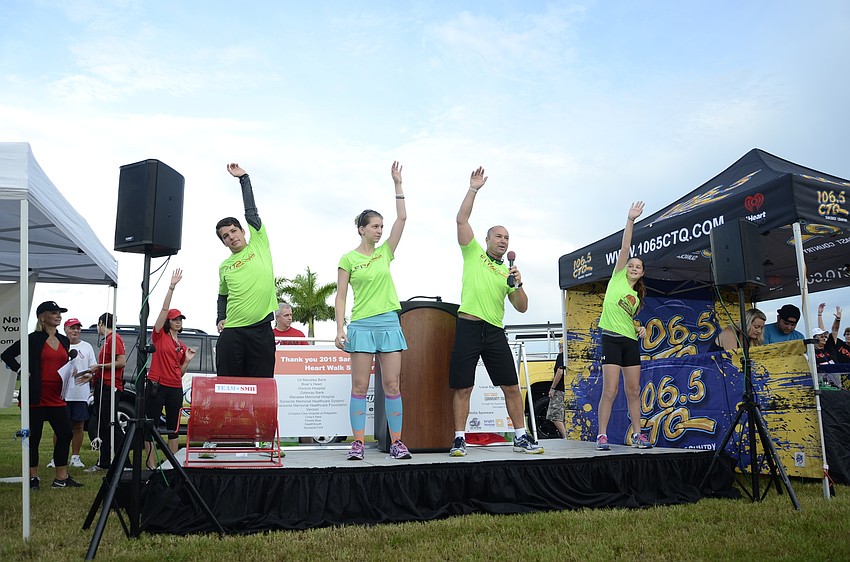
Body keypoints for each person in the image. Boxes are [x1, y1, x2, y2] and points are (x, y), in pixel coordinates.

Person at [448, 166, 542, 457]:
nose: (503, 241)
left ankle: (520, 437)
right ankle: (460, 439)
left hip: (494, 332)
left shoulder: (508, 273)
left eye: (507, 239)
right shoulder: (473, 252)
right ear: (488, 239)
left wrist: (519, 283)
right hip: (468, 326)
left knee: (512, 387)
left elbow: (523, 307)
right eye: (499, 236)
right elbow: (461, 219)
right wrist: (474, 188)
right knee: (463, 387)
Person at [335, 161, 411, 461]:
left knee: (392, 384)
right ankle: (357, 443)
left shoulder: (386, 252)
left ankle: (397, 442)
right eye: (375, 226)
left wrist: (397, 185)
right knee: (359, 385)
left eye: (381, 226)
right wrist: (340, 328)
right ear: (361, 229)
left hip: (389, 323)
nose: (380, 231)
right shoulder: (348, 259)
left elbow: (402, 218)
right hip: (361, 326)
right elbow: (340, 297)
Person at [1, 301, 82, 489]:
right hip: (35, 395)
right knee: (34, 437)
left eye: (59, 313)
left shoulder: (64, 340)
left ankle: (61, 478)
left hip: (57, 396)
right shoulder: (32, 338)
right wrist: (21, 370)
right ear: (42, 316)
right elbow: (7, 355)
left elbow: (64, 365)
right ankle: (32, 478)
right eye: (54, 313)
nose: (58, 316)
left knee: (65, 433)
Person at [595, 202, 651, 451]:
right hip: (611, 338)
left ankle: (638, 435)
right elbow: (625, 247)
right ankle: (602, 436)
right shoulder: (617, 277)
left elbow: (628, 317)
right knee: (610, 389)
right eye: (631, 265)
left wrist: (639, 328)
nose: (633, 268)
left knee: (633, 389)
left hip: (629, 341)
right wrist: (631, 220)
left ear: (641, 274)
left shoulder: (637, 296)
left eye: (638, 267)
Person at [215, 163, 278, 378]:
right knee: (229, 390)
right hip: (232, 333)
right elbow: (222, 296)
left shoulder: (259, 243)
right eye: (226, 236)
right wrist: (219, 318)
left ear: (243, 231)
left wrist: (244, 179)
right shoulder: (225, 266)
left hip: (261, 332)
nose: (231, 236)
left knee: (260, 392)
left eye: (234, 231)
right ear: (224, 243)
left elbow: (251, 211)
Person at [145, 269, 196, 469]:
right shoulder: (159, 336)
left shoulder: (182, 346)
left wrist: (188, 360)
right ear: (168, 322)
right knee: (152, 425)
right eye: (175, 319)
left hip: (175, 387)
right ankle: (150, 462)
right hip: (157, 385)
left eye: (180, 319)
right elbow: (164, 310)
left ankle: (172, 464)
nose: (178, 322)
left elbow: (180, 372)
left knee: (174, 426)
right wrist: (171, 287)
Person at [84, 312, 126, 472]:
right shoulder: (108, 340)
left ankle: (125, 462)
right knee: (103, 425)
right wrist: (93, 375)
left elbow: (121, 362)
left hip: (110, 386)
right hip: (102, 384)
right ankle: (105, 461)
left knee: (110, 424)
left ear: (100, 323)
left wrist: (99, 367)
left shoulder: (114, 338)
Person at [57, 317, 97, 469]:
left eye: (78, 328)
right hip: (63, 392)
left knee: (78, 425)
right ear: (65, 329)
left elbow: (93, 367)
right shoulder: (60, 345)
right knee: (60, 426)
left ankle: (75, 457)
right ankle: (58, 457)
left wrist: (90, 375)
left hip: (80, 393)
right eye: (72, 328)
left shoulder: (86, 346)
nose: (75, 331)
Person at [545, 340, 567, 439]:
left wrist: (552, 388)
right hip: (567, 389)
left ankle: (566, 436)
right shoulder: (569, 357)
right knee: (563, 415)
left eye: (560, 346)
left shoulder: (561, 356)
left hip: (559, 390)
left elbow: (560, 371)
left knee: (555, 415)